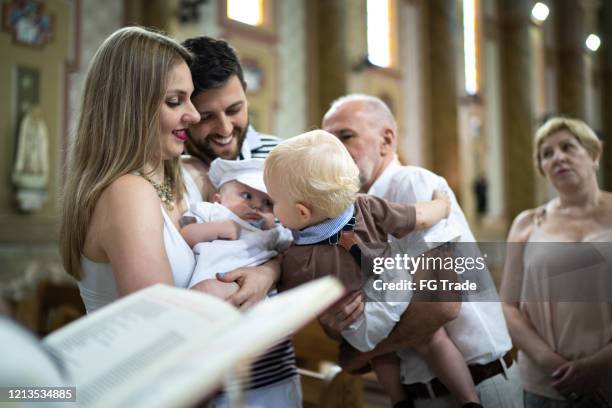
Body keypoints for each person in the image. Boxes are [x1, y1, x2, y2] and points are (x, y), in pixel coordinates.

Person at [321, 94, 523, 407]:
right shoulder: (349, 215)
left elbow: (439, 305)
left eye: (346, 136)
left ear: (386, 140)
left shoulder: (410, 184)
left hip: (477, 386)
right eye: (328, 143)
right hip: (417, 392)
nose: (335, 151)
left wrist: (364, 348)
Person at [264, 130, 482, 407]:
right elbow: (418, 216)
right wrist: (441, 203)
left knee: (380, 354)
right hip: (396, 289)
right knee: (433, 341)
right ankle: (470, 400)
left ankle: (399, 400)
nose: (272, 209)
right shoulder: (365, 207)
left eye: (273, 202)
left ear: (302, 212)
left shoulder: (298, 257)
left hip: (360, 322)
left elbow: (291, 302)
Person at [180, 36, 301, 408]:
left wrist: (270, 271)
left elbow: (312, 239)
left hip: (270, 371)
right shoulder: (172, 169)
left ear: (246, 91)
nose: (224, 128)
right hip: (196, 376)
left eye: (234, 108)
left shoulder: (281, 157)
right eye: (207, 116)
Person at [60, 27, 200, 313]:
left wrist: (265, 273)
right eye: (175, 101)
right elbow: (160, 321)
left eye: (191, 98)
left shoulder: (185, 178)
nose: (194, 115)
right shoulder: (127, 192)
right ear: (132, 107)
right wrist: (232, 289)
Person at [501, 117, 612, 406]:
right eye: (547, 154)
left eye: (568, 147)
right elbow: (508, 306)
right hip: (546, 383)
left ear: (593, 154)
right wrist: (555, 366)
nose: (558, 157)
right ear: (543, 170)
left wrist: (599, 366)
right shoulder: (527, 224)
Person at [182, 158, 291, 299]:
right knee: (207, 290)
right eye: (247, 196)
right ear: (218, 199)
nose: (257, 206)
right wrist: (214, 229)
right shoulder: (212, 211)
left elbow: (291, 252)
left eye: (268, 203)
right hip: (215, 280)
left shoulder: (273, 232)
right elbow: (185, 234)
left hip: (258, 287)